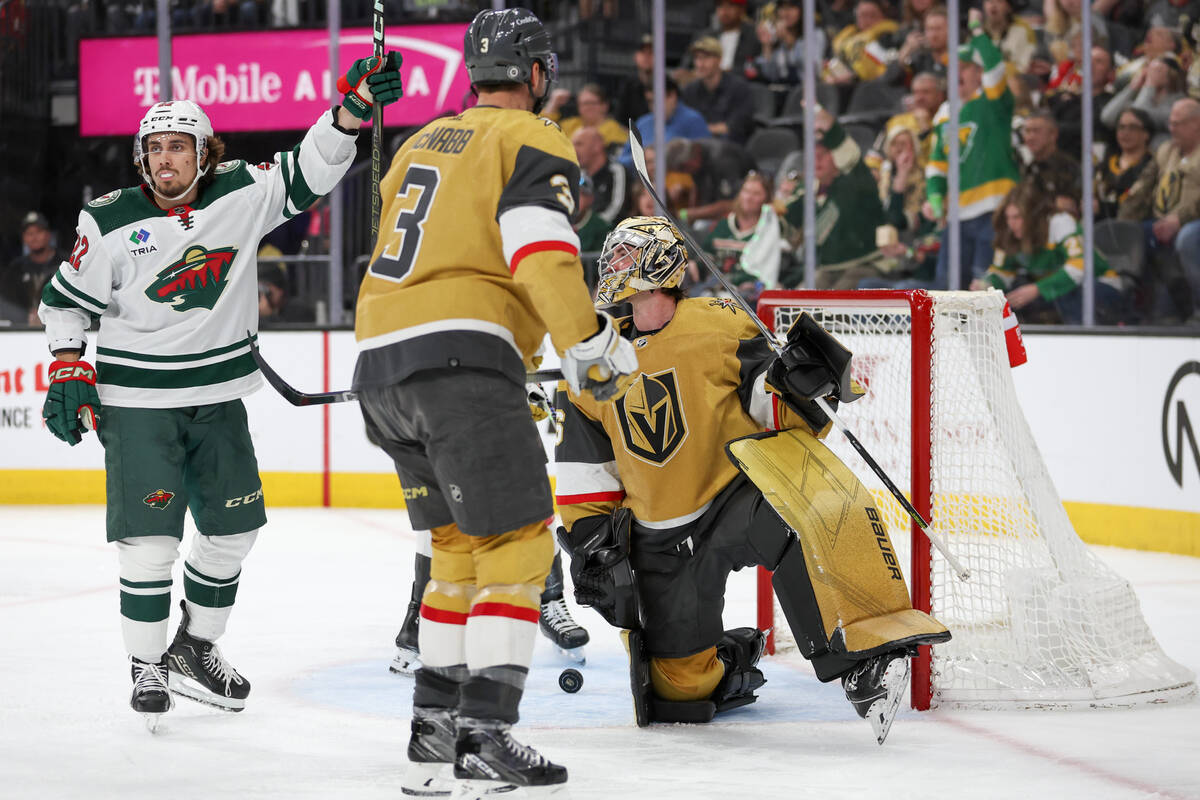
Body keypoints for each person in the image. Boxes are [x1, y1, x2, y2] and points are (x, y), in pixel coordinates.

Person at [35, 55, 404, 725]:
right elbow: (64, 302)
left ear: (206, 154)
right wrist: (67, 364)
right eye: (155, 147)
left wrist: (351, 110)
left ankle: (195, 649)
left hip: (219, 399)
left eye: (180, 146)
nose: (166, 158)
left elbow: (310, 169)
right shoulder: (108, 220)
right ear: (141, 158)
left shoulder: (241, 192)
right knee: (149, 542)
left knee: (234, 530)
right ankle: (145, 665)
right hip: (138, 405)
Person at [351, 9, 638, 797]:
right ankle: (487, 731)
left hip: (380, 366)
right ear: (537, 76)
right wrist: (588, 345)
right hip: (463, 363)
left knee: (455, 552)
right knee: (518, 547)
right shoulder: (534, 138)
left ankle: (433, 730)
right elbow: (539, 250)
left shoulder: (417, 141)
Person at [554, 215, 950, 741]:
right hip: (659, 535)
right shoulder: (590, 362)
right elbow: (585, 470)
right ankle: (735, 658)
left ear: (660, 265)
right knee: (679, 692)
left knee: (797, 517)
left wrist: (799, 385)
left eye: (625, 257)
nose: (611, 267)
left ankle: (858, 662)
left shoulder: (719, 324)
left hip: (733, 499)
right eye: (612, 257)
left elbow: (774, 410)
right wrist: (588, 542)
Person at [922, 10, 1020, 289]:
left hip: (995, 209)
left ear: (979, 73)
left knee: (984, 290)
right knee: (946, 288)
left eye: (964, 67)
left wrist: (977, 31)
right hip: (957, 215)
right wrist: (935, 197)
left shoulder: (993, 101)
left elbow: (995, 66)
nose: (956, 73)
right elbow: (936, 164)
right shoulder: (943, 113)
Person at [971, 183, 1129, 324]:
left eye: (1017, 217)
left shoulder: (1060, 222)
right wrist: (985, 284)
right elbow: (1002, 272)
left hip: (1101, 285)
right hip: (1055, 293)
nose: (1011, 224)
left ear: (1033, 216)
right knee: (1012, 296)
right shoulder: (1010, 233)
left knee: (1068, 293)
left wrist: (1038, 288)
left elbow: (1080, 267)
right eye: (1008, 218)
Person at [782, 109, 886, 289]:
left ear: (836, 158)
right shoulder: (808, 191)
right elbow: (786, 223)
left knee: (833, 304)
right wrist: (777, 204)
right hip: (827, 269)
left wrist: (831, 129)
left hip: (864, 264)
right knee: (799, 301)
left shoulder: (855, 181)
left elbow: (852, 159)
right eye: (812, 158)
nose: (816, 162)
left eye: (822, 156)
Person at [1120, 97, 1200, 324]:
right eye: (1170, 123)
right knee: (1131, 236)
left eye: (1178, 123)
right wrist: (1124, 223)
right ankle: (1139, 312)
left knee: (1187, 238)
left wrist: (1179, 219)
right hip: (1162, 221)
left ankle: (1198, 308)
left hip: (1193, 223)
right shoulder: (1166, 150)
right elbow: (1144, 188)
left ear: (1197, 123)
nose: (1171, 129)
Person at [695, 171, 783, 303]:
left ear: (766, 199)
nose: (749, 197)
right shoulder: (724, 225)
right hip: (712, 290)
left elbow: (766, 271)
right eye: (746, 191)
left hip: (747, 297)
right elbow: (705, 259)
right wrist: (693, 266)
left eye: (756, 194)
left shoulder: (769, 231)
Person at [617, 76, 710, 168]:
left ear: (672, 97)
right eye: (650, 101)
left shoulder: (693, 121)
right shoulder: (643, 123)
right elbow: (622, 160)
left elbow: (705, 160)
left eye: (657, 101)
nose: (653, 106)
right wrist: (642, 158)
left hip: (679, 179)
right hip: (644, 180)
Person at [681, 37, 758, 145]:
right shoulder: (690, 90)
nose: (700, 64)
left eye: (705, 58)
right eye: (697, 58)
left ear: (719, 60)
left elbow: (733, 127)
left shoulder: (739, 89)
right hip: (697, 147)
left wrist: (698, 129)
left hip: (730, 149)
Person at [1, 211, 67, 325]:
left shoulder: (66, 264)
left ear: (48, 234)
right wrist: (24, 316)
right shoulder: (16, 269)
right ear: (24, 238)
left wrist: (46, 316)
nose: (34, 237)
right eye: (29, 233)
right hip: (21, 332)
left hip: (60, 329)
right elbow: (4, 304)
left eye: (39, 232)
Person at [1018, 110, 1082, 217]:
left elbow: (1073, 204)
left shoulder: (1069, 167)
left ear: (1053, 135)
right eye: (1027, 131)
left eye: (1036, 131)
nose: (1030, 137)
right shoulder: (1023, 168)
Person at [1095, 108, 1155, 220]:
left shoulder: (1152, 165)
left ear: (1146, 134)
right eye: (1121, 127)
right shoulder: (1107, 162)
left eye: (1133, 127)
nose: (1125, 133)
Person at [572, 126, 629, 225]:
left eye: (579, 144)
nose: (573, 150)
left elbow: (617, 209)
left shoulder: (616, 171)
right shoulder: (578, 176)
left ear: (597, 146)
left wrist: (589, 227)